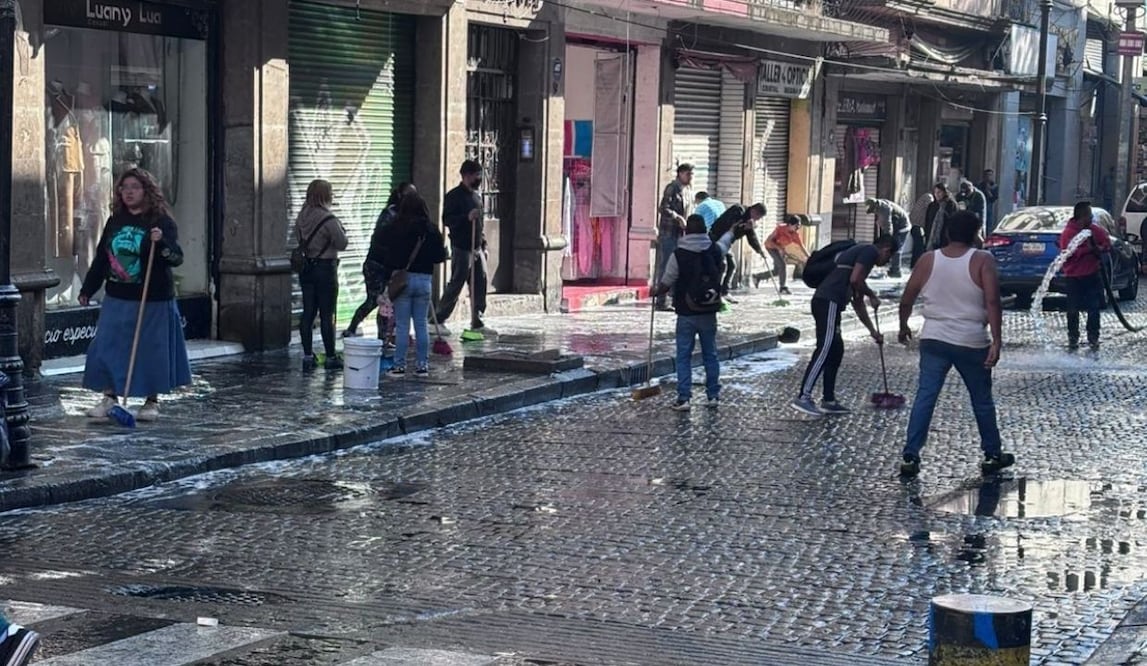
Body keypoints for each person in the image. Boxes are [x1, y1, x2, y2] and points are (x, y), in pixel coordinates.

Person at [897, 210, 1013, 478]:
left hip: (934, 338)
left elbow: (907, 297)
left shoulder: (928, 260)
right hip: (971, 340)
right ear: (975, 234)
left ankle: (911, 454)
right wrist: (997, 339)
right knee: (981, 399)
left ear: (947, 232)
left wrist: (904, 326)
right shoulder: (983, 260)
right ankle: (992, 453)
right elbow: (993, 302)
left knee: (925, 397)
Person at [78, 167, 192, 422]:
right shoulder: (115, 221)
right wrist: (88, 288)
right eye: (124, 188)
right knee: (107, 344)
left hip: (151, 298)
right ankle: (110, 396)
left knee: (150, 348)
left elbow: (176, 258)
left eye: (134, 187)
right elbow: (102, 258)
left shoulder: (161, 222)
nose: (128, 192)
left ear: (146, 191)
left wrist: (161, 242)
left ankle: (151, 401)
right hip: (118, 294)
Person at [790, 235, 897, 417]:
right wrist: (872, 295)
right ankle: (804, 396)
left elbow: (857, 302)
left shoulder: (860, 259)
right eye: (889, 258)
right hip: (828, 301)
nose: (886, 262)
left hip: (830, 304)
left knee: (836, 349)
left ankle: (829, 400)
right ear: (886, 249)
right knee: (825, 348)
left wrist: (873, 332)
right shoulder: (869, 251)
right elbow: (856, 281)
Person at [652, 214, 744, 411]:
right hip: (708, 311)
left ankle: (684, 398)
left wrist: (656, 292)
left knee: (684, 355)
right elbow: (725, 242)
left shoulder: (679, 254)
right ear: (704, 231)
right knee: (710, 353)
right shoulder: (714, 250)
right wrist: (732, 230)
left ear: (686, 232)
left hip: (686, 312)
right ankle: (713, 395)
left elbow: (667, 282)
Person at [380, 193, 448, 377]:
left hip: (404, 280)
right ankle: (422, 366)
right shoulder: (431, 230)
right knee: (421, 324)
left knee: (402, 325)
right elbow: (440, 257)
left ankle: (399, 366)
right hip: (425, 281)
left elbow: (389, 257)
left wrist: (387, 278)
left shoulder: (397, 227)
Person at [344, 182, 415, 339]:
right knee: (379, 301)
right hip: (376, 266)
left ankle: (381, 335)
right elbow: (384, 241)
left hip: (391, 267)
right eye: (409, 196)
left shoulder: (408, 217)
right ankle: (375, 335)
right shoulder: (389, 216)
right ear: (400, 196)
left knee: (385, 301)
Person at [294, 179, 349, 371]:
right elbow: (342, 243)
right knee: (327, 314)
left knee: (308, 311)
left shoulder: (301, 217)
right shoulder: (329, 219)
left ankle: (308, 355)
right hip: (325, 268)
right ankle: (331, 356)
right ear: (326, 195)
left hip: (307, 269)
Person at [435, 160, 487, 330]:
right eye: (476, 175)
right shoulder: (453, 196)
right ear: (466, 176)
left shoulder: (477, 197)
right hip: (462, 248)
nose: (478, 178)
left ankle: (477, 318)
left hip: (477, 248)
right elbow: (447, 220)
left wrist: (483, 242)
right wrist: (466, 217)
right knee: (457, 282)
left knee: (480, 282)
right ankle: (438, 318)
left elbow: (480, 223)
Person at [1059, 201, 1112, 351]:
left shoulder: (1094, 230)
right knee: (1072, 309)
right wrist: (1086, 250)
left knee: (1094, 308)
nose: (1091, 218)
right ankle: (1073, 336)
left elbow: (1106, 243)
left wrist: (1099, 248)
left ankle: (1093, 336)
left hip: (1092, 275)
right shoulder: (1068, 233)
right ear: (1082, 216)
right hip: (1074, 277)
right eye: (1089, 215)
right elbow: (1067, 253)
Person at [655, 164, 694, 310]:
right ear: (680, 174)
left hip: (683, 235)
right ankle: (661, 300)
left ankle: (677, 298)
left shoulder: (688, 190)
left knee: (680, 266)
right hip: (669, 233)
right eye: (688, 174)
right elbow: (663, 208)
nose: (690, 177)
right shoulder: (672, 188)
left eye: (692, 174)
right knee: (666, 266)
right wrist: (677, 218)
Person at [708, 202, 768, 296]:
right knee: (722, 266)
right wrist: (743, 226)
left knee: (732, 266)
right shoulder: (738, 210)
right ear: (754, 211)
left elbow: (751, 237)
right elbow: (729, 227)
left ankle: (725, 292)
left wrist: (759, 251)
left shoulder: (748, 221)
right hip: (716, 239)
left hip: (726, 243)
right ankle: (715, 292)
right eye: (758, 217)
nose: (757, 220)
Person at [763, 215, 808, 295]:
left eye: (799, 226)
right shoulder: (780, 228)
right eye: (796, 226)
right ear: (790, 225)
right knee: (782, 265)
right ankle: (782, 287)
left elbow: (802, 246)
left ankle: (757, 277)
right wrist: (779, 248)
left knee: (778, 270)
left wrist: (809, 257)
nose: (797, 228)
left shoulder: (795, 234)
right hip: (771, 247)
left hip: (780, 249)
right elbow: (769, 240)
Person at [866, 198, 910, 277]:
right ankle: (893, 268)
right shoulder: (880, 205)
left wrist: (887, 240)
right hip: (897, 225)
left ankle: (896, 271)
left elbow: (888, 225)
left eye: (873, 210)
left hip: (902, 227)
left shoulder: (885, 208)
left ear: (875, 206)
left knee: (896, 248)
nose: (874, 212)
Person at [925, 183, 958, 251]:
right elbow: (927, 221)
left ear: (945, 192)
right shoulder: (932, 205)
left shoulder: (951, 205)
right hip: (932, 238)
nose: (937, 194)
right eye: (935, 192)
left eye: (939, 192)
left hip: (945, 238)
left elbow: (954, 221)